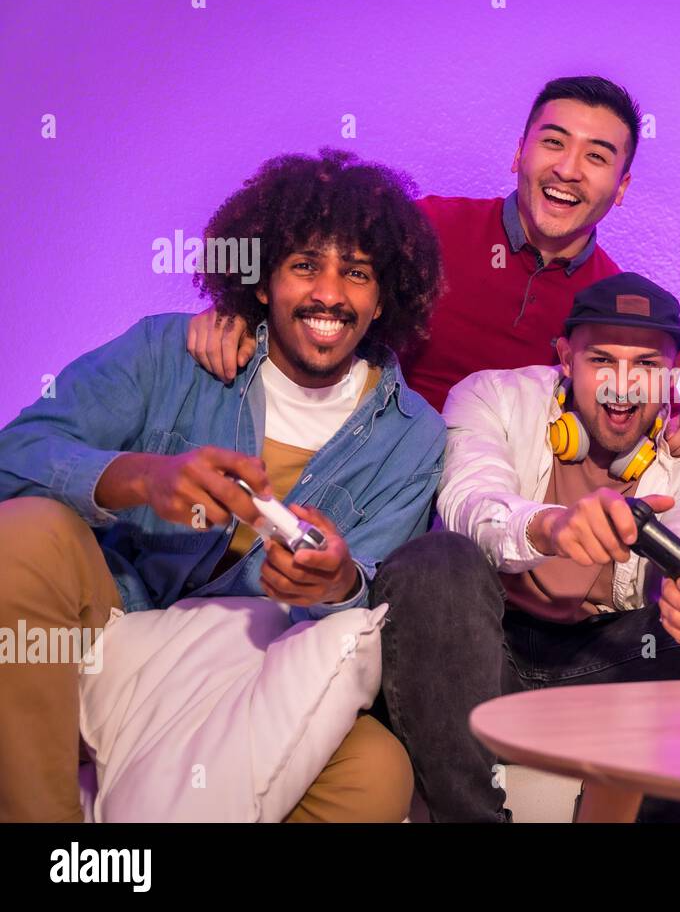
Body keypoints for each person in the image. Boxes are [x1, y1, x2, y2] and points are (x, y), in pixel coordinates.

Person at [0, 149, 445, 822]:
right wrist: (138, 478)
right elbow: (14, 455)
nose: (329, 293)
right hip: (107, 629)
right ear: (262, 283)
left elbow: (372, 600)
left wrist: (335, 585)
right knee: (24, 533)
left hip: (243, 676)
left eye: (356, 274)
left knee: (377, 773)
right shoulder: (168, 353)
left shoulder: (413, 437)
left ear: (384, 298)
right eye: (304, 266)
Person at [372, 272, 680, 822]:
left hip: (610, 664)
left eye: (647, 366)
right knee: (434, 559)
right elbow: (469, 503)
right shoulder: (490, 397)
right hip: (482, 656)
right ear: (565, 357)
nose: (622, 387)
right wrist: (551, 529)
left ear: (675, 374)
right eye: (601, 359)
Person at [183, 75, 680, 456]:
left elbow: (653, 409)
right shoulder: (427, 226)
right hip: (369, 465)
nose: (568, 168)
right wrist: (229, 307)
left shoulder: (615, 300)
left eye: (597, 157)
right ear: (519, 154)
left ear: (621, 187)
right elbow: (297, 253)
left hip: (501, 509)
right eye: (553, 142)